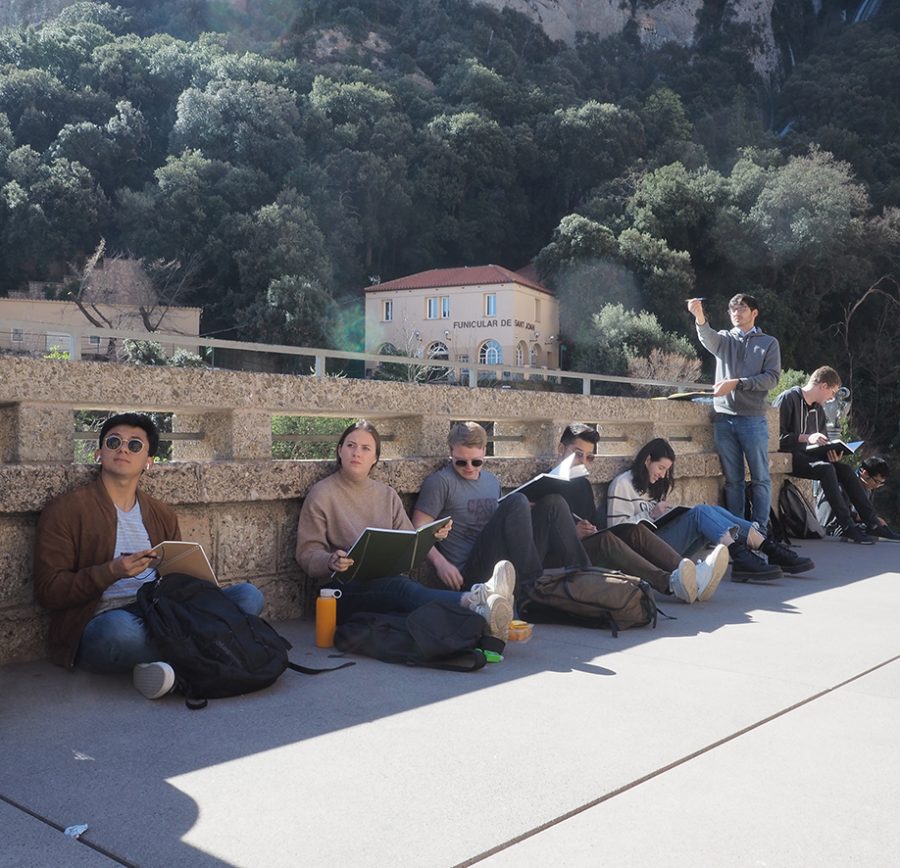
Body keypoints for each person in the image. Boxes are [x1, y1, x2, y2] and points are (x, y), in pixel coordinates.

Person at [33, 412, 265, 700]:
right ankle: (205, 656)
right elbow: (48, 592)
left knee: (248, 596)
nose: (122, 449)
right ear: (99, 452)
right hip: (102, 621)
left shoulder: (161, 513)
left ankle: (165, 669)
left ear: (148, 462)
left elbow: (176, 580)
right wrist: (111, 571)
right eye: (114, 441)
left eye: (134, 445)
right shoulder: (66, 511)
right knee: (121, 634)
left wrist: (189, 574)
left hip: (160, 612)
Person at [295, 420, 515, 639]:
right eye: (351, 445)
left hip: (386, 582)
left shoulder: (387, 495)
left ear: (375, 459)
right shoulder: (322, 493)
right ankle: (477, 600)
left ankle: (484, 618)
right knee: (402, 590)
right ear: (339, 450)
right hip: (339, 591)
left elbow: (412, 544)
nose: (356, 453)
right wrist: (330, 560)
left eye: (365, 448)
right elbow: (307, 554)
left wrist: (433, 535)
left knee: (407, 595)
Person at [412, 421, 589, 607]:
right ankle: (534, 588)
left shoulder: (491, 481)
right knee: (517, 501)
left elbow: (497, 522)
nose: (469, 467)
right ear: (451, 451)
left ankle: (583, 575)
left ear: (484, 452)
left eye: (477, 462)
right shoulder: (441, 482)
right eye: (461, 462)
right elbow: (418, 527)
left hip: (505, 562)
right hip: (470, 573)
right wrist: (441, 564)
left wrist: (523, 512)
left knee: (553, 502)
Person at [550, 423, 729, 604]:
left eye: (589, 457)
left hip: (591, 547)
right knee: (606, 540)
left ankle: (694, 577)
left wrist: (591, 529)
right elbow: (539, 539)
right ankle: (671, 583)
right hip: (565, 558)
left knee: (634, 530)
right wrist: (574, 533)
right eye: (578, 454)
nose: (583, 461)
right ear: (561, 449)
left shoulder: (583, 485)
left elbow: (594, 525)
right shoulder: (543, 486)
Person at [606, 438, 815, 581]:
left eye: (666, 470)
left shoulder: (654, 485)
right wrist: (650, 514)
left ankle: (765, 547)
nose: (662, 475)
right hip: (640, 554)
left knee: (711, 510)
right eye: (660, 468)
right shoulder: (622, 484)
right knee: (700, 513)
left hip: (660, 545)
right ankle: (747, 553)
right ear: (647, 460)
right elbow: (615, 533)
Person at [688, 293, 781, 527]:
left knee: (760, 479)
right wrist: (699, 316)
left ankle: (760, 531)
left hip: (753, 419)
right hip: (724, 418)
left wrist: (738, 383)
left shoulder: (768, 343)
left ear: (754, 312)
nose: (736, 314)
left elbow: (771, 378)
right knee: (733, 481)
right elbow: (707, 338)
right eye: (733, 311)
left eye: (742, 309)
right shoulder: (725, 339)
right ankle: (738, 531)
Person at [773, 367, 894, 544]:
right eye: (832, 392)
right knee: (826, 469)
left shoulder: (818, 410)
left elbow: (822, 443)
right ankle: (847, 526)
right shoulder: (788, 399)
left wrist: (831, 452)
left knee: (844, 469)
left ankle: (873, 523)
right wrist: (806, 437)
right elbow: (774, 437)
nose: (832, 397)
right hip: (788, 456)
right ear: (823, 386)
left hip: (810, 456)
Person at [815, 456, 900, 540]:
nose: (877, 486)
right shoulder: (843, 485)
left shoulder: (868, 490)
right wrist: (867, 518)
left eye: (880, 483)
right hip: (832, 528)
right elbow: (840, 511)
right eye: (876, 481)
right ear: (865, 473)